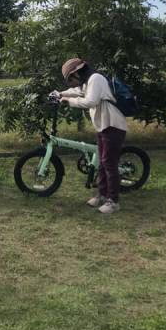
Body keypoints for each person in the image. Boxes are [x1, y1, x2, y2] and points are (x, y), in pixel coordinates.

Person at [56, 58, 127, 214]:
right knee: (102, 162)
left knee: (109, 163)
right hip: (103, 126)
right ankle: (102, 195)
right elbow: (78, 92)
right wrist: (60, 93)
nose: (72, 82)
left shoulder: (96, 78)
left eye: (70, 78)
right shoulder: (88, 81)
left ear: (76, 72)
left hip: (113, 125)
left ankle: (113, 201)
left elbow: (90, 101)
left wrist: (68, 101)